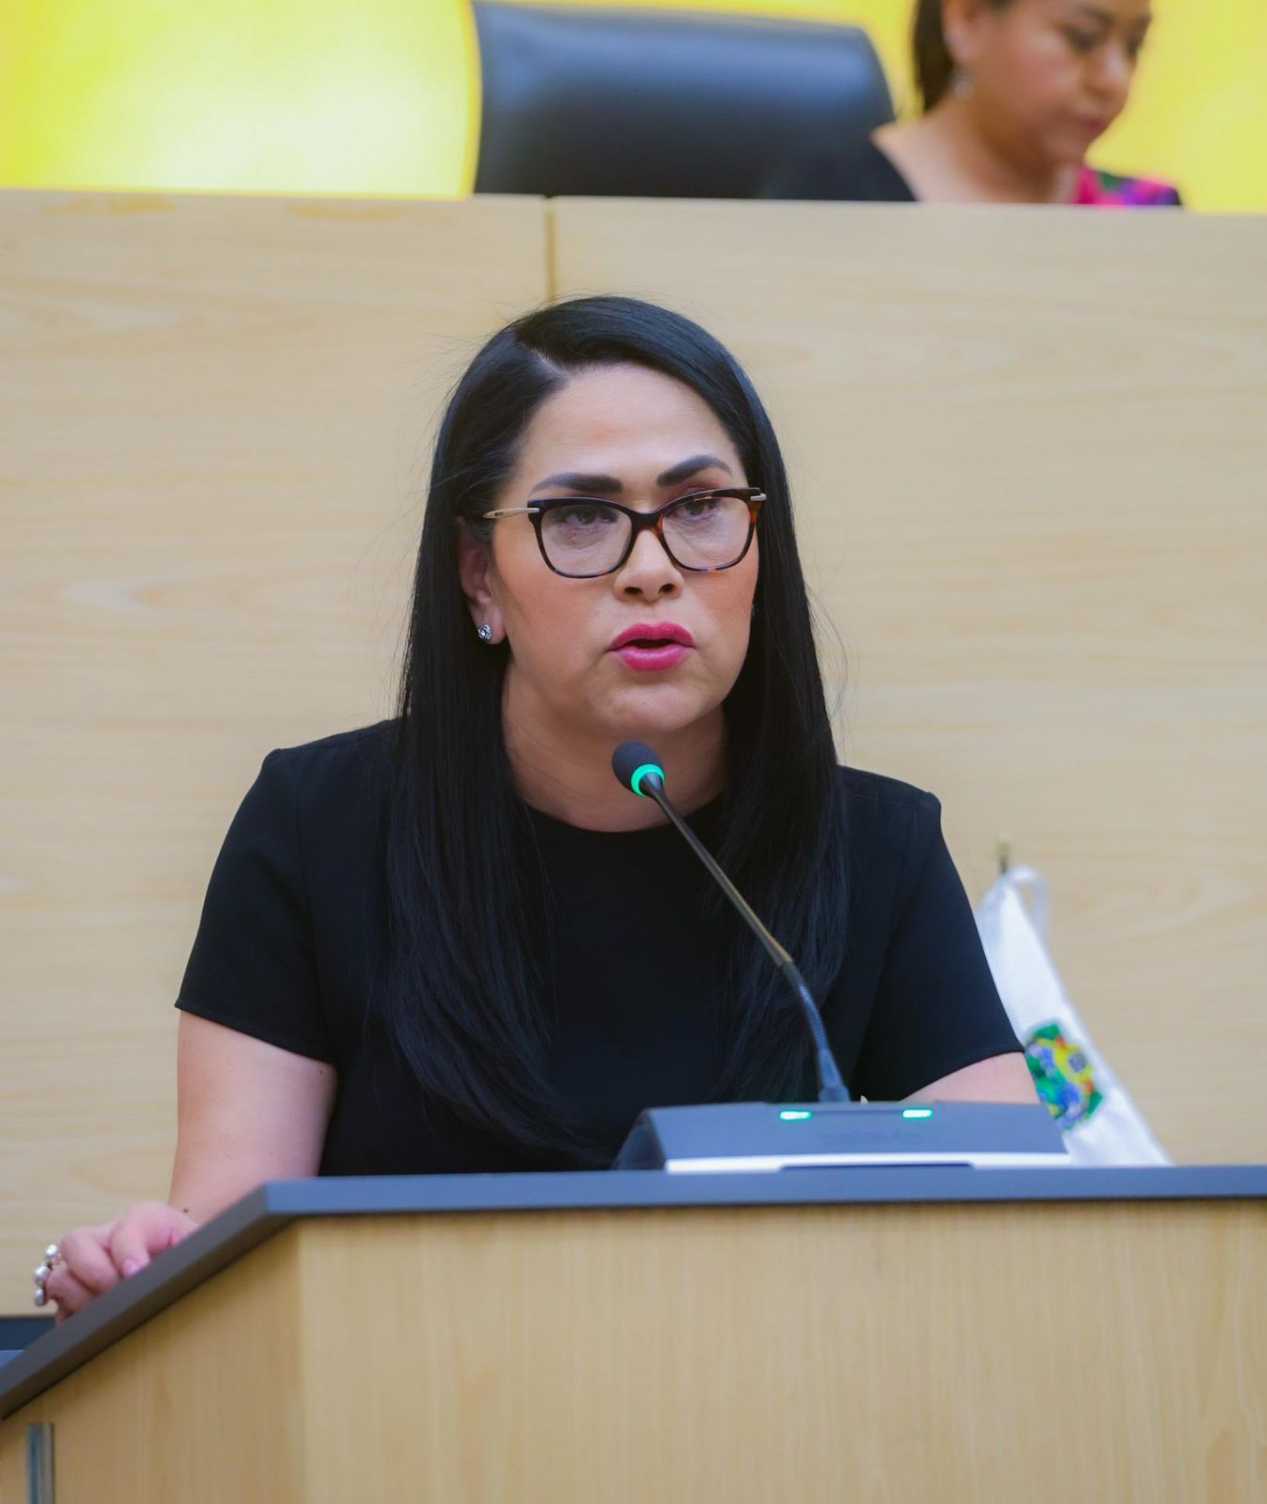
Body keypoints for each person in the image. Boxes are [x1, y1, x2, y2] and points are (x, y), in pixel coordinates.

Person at [35, 296, 1036, 1321]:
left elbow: (1022, 1224)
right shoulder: (316, 828)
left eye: (700, 507)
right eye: (582, 518)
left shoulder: (875, 848)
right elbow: (222, 1249)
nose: (652, 570)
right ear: (479, 576)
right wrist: (141, 1266)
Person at [767, 0, 1181, 206]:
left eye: (1134, 46)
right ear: (968, 19)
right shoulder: (830, 202)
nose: (1114, 80)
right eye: (1083, 38)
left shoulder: (1147, 213)